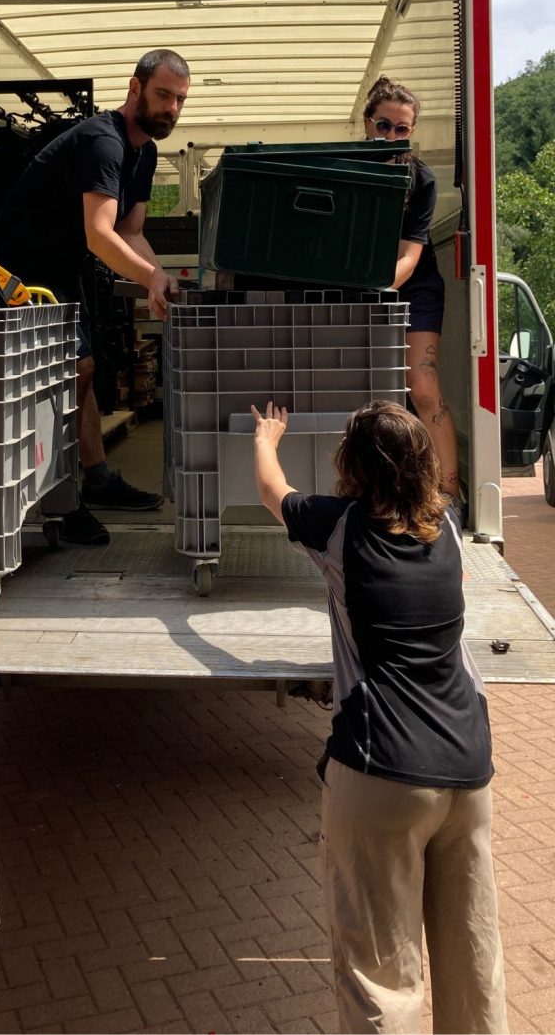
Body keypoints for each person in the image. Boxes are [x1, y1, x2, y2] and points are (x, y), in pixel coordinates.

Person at [252, 398, 507, 1035]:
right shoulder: (446, 530)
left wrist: (267, 435)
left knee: (380, 978)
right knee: (474, 966)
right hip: (468, 772)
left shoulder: (338, 527)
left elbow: (270, 489)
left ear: (351, 466)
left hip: (381, 771)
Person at [0, 49, 190, 546]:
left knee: (85, 370)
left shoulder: (145, 153)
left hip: (59, 269)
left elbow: (131, 230)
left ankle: (95, 477)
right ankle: (63, 499)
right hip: (14, 271)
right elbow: (100, 235)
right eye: (163, 94)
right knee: (57, 381)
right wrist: (149, 279)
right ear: (135, 88)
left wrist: (162, 280)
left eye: (180, 100)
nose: (172, 109)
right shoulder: (104, 142)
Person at [363, 75, 462, 508]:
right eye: (383, 125)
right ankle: (375, 495)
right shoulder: (345, 168)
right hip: (360, 288)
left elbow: (411, 252)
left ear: (412, 131)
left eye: (401, 129)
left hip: (413, 287)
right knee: (363, 391)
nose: (391, 135)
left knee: (420, 385)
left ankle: (450, 495)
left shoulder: (419, 178)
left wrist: (380, 289)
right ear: (367, 124)